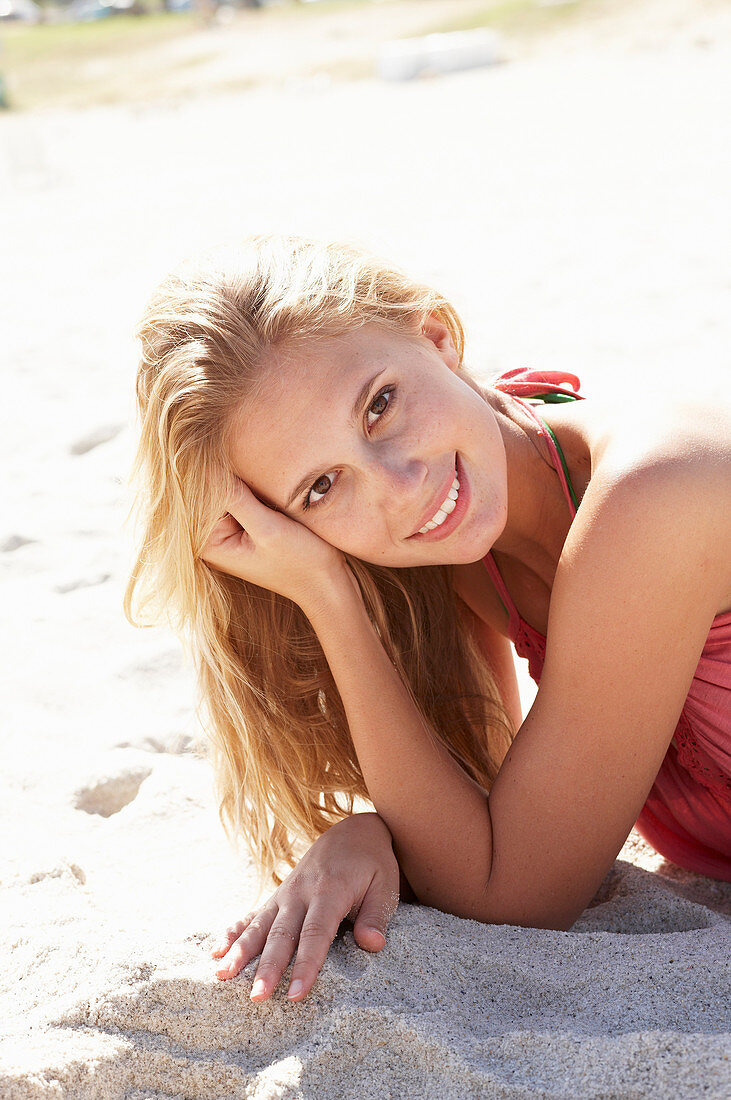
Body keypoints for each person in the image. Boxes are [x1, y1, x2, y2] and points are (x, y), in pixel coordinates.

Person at [125, 235, 730, 1007]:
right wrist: (367, 830)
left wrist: (333, 605)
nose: (399, 487)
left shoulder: (654, 491)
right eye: (321, 487)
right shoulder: (462, 546)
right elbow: (485, 822)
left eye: (380, 404)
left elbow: (518, 894)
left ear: (437, 337)